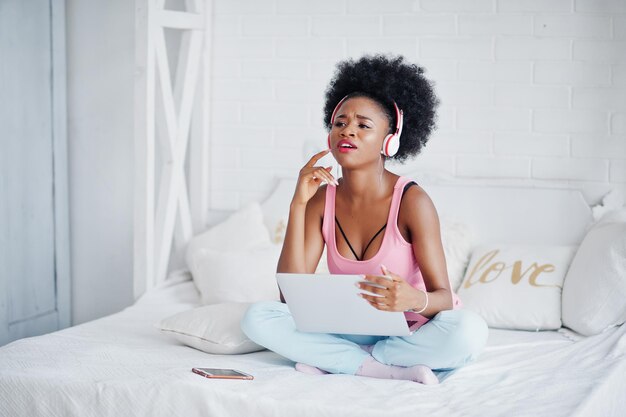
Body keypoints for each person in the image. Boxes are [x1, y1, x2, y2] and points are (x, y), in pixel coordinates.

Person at [241, 54, 488, 385]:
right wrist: (297, 205)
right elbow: (291, 296)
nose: (348, 131)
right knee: (257, 318)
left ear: (390, 140)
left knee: (469, 331)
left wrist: (414, 299)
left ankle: (340, 361)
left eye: (363, 125)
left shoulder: (413, 201)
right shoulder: (320, 200)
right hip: (344, 331)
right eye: (340, 123)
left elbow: (444, 295)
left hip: (406, 332)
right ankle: (379, 367)